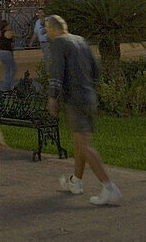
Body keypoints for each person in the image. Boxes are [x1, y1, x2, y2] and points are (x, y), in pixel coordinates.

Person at [46, 14, 121, 206]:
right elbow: (96, 68)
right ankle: (76, 182)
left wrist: (52, 96)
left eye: (47, 30)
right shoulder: (80, 41)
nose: (47, 34)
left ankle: (108, 187)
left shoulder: (58, 43)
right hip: (89, 97)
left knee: (85, 146)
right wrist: (90, 87)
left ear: (53, 29)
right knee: (80, 142)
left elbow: (57, 71)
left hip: (75, 99)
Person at [0, 19, 17, 90]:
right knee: (13, 69)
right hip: (7, 52)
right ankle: (7, 84)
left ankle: (7, 85)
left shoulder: (1, 33)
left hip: (1, 52)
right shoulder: (9, 32)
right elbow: (18, 36)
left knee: (6, 69)